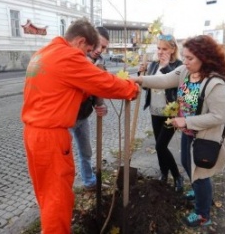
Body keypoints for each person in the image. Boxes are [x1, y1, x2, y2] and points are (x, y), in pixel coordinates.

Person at [21, 18, 139, 234]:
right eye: (88, 50)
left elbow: (62, 88)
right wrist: (131, 88)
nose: (86, 55)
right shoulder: (69, 56)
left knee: (46, 193)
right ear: (80, 41)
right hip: (51, 138)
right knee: (58, 197)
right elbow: (104, 82)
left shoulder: (44, 53)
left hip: (32, 133)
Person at [131, 35, 225, 227]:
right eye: (185, 57)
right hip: (189, 134)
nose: (185, 61)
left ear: (204, 58)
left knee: (201, 174)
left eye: (190, 58)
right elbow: (163, 80)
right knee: (189, 166)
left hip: (205, 137)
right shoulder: (185, 72)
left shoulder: (216, 83)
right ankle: (198, 193)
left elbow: (220, 116)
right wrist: (137, 79)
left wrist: (186, 121)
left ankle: (203, 214)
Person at [139, 34, 184, 192]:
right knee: (159, 146)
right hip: (155, 111)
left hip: (170, 113)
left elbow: (175, 86)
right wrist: (141, 75)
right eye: (158, 48)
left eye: (164, 49)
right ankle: (164, 173)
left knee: (160, 146)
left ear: (172, 49)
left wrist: (165, 67)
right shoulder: (153, 65)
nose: (160, 52)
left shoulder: (179, 65)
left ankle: (178, 176)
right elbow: (145, 87)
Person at [70, 26, 110, 191]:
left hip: (83, 116)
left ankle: (89, 181)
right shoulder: (75, 58)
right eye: (97, 45)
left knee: (86, 151)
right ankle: (65, 190)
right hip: (67, 118)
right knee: (63, 156)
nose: (99, 50)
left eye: (104, 47)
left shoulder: (100, 62)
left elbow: (98, 89)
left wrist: (101, 105)